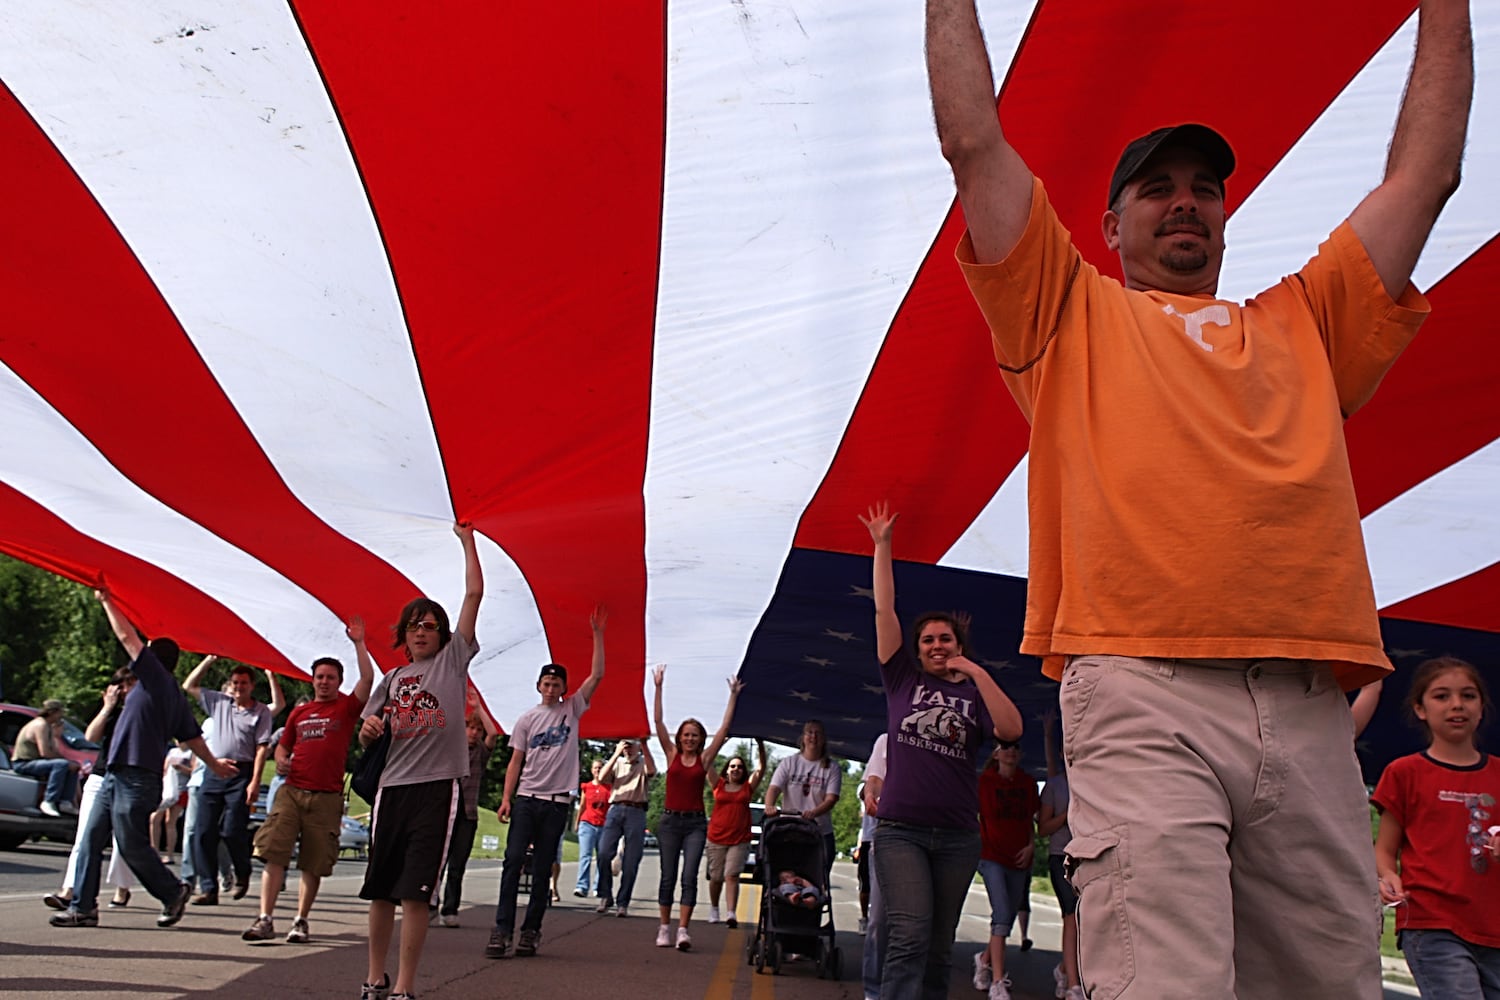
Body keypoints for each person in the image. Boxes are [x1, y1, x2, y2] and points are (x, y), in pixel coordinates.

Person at [925, 0, 1473, 993]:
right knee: (1165, 980)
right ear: (1109, 225)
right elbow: (974, 143)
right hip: (1142, 687)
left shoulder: (1309, 321)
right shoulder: (1065, 312)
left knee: (1331, 985)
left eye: (1206, 188)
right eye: (1157, 188)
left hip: (1308, 703)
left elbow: (1427, 175)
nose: (1186, 202)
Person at [860, 502, 1022, 1000]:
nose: (935, 645)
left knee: (936, 946)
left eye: (944, 639)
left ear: (958, 643)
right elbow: (884, 610)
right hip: (900, 831)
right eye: (927, 639)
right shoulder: (901, 680)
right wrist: (882, 544)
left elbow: (1010, 731)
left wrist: (973, 670)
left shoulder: (974, 692)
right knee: (907, 936)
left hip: (956, 836)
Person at [50, 589, 237, 929]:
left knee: (131, 842)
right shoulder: (171, 694)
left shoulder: (155, 679)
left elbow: (125, 636)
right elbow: (191, 736)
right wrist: (214, 764)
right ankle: (83, 907)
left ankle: (171, 891)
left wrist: (107, 600)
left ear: (152, 658)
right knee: (92, 838)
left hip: (136, 778)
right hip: (116, 775)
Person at [358, 522, 483, 1000]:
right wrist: (369, 729)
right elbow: (369, 729)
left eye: (431, 625)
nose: (423, 631)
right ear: (404, 637)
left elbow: (473, 593)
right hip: (392, 790)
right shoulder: (391, 678)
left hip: (436, 789)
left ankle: (404, 988)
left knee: (415, 892)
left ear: (443, 635)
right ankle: (374, 978)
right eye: (415, 626)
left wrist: (467, 541)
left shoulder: (452, 663)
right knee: (380, 890)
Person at [241, 618, 375, 944]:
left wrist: (359, 643)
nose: (324, 682)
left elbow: (368, 679)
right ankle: (265, 918)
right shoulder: (300, 714)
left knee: (313, 861)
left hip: (327, 796)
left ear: (339, 682)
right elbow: (284, 743)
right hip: (292, 791)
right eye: (319, 678)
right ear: (312, 681)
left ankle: (300, 920)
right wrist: (283, 756)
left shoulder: (346, 708)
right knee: (274, 851)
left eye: (330, 678)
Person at [485, 607, 607, 961]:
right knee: (512, 863)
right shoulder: (526, 719)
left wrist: (597, 634)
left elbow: (597, 674)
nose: (552, 689)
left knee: (542, 869)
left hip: (556, 803)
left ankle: (531, 931)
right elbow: (515, 761)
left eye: (557, 684)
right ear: (539, 686)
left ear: (564, 688)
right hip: (526, 798)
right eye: (547, 683)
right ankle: (502, 929)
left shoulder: (572, 710)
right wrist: (506, 798)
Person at [1374, 656, 1500, 998]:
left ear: (1482, 707)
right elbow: (1384, 851)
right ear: (1420, 709)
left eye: (1468, 695)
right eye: (1442, 696)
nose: (1457, 705)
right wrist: (1388, 877)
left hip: (1493, 928)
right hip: (1431, 923)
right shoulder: (1404, 772)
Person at [650, 668, 742, 951]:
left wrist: (733, 697)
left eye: (695, 735)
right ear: (680, 738)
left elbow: (725, 729)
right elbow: (658, 721)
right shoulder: (671, 754)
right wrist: (659, 687)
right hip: (669, 822)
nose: (690, 739)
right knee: (668, 876)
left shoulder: (704, 759)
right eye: (686, 735)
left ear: (701, 739)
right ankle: (664, 927)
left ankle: (683, 930)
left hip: (694, 824)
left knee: (689, 876)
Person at [43, 669, 139, 912]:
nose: (124, 690)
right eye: (120, 686)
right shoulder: (113, 713)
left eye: (128, 685)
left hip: (129, 779)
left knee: (123, 840)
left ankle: (122, 887)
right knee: (85, 836)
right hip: (100, 776)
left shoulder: (143, 712)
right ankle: (69, 890)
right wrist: (107, 707)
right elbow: (91, 736)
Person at [182, 655, 275, 904]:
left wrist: (255, 781)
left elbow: (261, 748)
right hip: (215, 770)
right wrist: (209, 659)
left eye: (243, 683)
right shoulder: (219, 702)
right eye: (235, 683)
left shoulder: (261, 712)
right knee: (203, 831)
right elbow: (189, 686)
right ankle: (209, 887)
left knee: (232, 829)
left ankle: (242, 871)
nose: (238, 687)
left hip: (240, 773)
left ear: (251, 685)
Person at [973, 740, 1039, 1000]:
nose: (1011, 751)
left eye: (1016, 747)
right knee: (1001, 913)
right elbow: (971, 815)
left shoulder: (1028, 784)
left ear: (1021, 754)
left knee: (1008, 916)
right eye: (1005, 746)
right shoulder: (984, 783)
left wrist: (1032, 846)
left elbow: (1031, 821)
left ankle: (984, 959)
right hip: (990, 856)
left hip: (1019, 858)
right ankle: (998, 982)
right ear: (996, 753)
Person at [1036, 710, 1083, 1000]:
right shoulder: (1056, 785)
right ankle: (1074, 985)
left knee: (1089, 920)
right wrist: (1069, 814)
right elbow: (1043, 828)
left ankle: (1066, 970)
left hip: (1088, 857)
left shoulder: (1091, 779)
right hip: (1060, 858)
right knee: (1071, 917)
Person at [437, 707, 498, 927]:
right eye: (470, 728)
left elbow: (493, 734)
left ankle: (450, 908)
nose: (474, 733)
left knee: (457, 865)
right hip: (446, 812)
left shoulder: (480, 752)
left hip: (467, 815)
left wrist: (480, 708)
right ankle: (430, 903)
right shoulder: (451, 748)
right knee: (437, 862)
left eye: (477, 730)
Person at [764, 719, 842, 885]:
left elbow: (831, 798)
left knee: (818, 877)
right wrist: (769, 806)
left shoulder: (832, 767)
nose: (813, 737)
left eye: (817, 733)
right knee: (785, 873)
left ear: (824, 739)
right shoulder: (789, 763)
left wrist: (814, 812)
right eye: (809, 732)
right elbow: (774, 788)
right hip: (790, 829)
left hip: (819, 830)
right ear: (803, 737)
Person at [705, 738, 766, 928]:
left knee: (732, 875)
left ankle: (731, 913)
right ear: (727, 769)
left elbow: (761, 769)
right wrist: (721, 742)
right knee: (716, 877)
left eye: (739, 766)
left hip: (739, 839)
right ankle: (714, 908)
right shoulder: (718, 785)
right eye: (732, 766)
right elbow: (706, 762)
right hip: (716, 837)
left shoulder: (747, 788)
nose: (736, 769)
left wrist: (761, 744)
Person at [594, 737, 658, 917]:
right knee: (604, 852)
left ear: (638, 746)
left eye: (631, 746)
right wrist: (615, 753)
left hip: (636, 810)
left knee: (631, 860)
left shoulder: (644, 763)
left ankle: (623, 901)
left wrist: (644, 745)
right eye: (625, 746)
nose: (628, 750)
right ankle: (606, 895)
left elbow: (652, 771)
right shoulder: (618, 762)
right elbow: (601, 778)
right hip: (615, 808)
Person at [12, 699, 81, 816]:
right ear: (52, 712)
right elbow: (45, 753)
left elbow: (53, 750)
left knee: (73, 766)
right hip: (23, 763)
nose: (61, 716)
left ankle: (65, 802)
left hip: (35, 762)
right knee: (62, 764)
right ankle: (49, 800)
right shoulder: (40, 724)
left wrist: (69, 762)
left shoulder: (48, 726)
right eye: (60, 712)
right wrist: (66, 761)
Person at [860, 733, 889, 1000]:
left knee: (921, 927)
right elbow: (872, 782)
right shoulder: (885, 741)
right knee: (879, 918)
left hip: (933, 833)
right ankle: (873, 989)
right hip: (887, 834)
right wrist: (870, 794)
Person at [575, 758, 611, 898]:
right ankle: (582, 886)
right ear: (591, 770)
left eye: (600, 767)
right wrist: (577, 822)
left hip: (604, 825)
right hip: (587, 823)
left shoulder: (609, 787)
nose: (598, 770)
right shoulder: (587, 786)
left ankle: (598, 886)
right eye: (595, 768)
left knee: (602, 857)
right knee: (585, 856)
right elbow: (582, 805)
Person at [152, 741, 193, 862]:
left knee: (170, 821)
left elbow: (194, 771)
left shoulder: (191, 753)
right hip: (167, 789)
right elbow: (164, 769)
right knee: (154, 818)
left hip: (182, 789)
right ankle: (154, 851)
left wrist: (182, 768)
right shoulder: (172, 751)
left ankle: (169, 853)